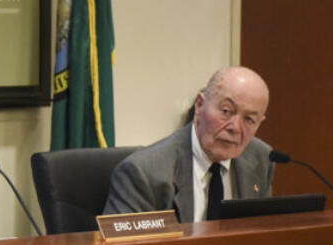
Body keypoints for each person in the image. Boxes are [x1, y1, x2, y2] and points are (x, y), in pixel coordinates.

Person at [103, 65, 273, 222]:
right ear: (200, 105)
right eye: (226, 111)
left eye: (249, 119)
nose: (235, 128)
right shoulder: (144, 173)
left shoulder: (261, 159)